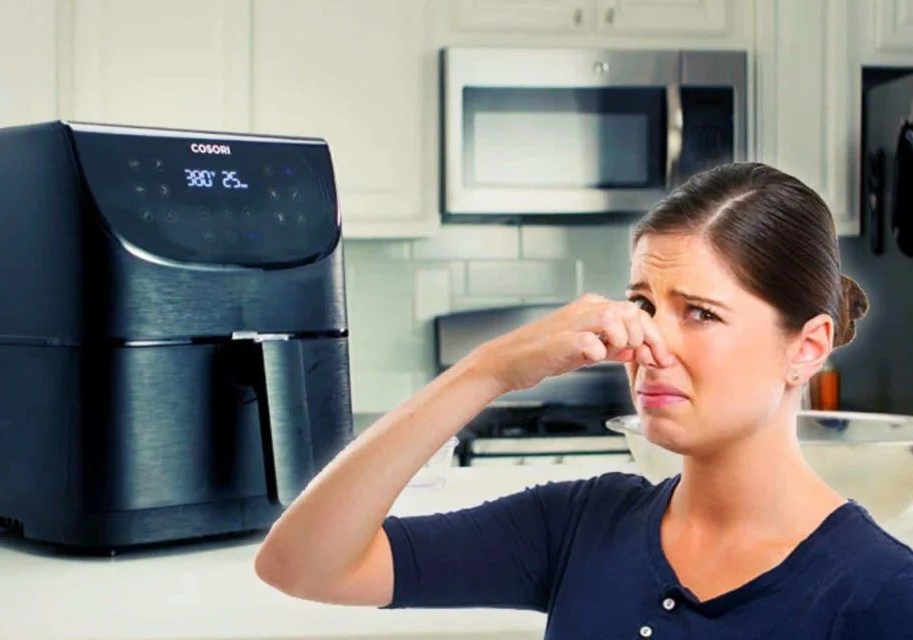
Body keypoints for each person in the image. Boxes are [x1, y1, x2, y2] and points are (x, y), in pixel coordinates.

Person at [254, 162, 913, 638]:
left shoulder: (883, 594)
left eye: (701, 314)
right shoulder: (582, 523)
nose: (651, 341)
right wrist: (489, 370)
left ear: (806, 347)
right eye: (644, 305)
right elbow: (303, 565)